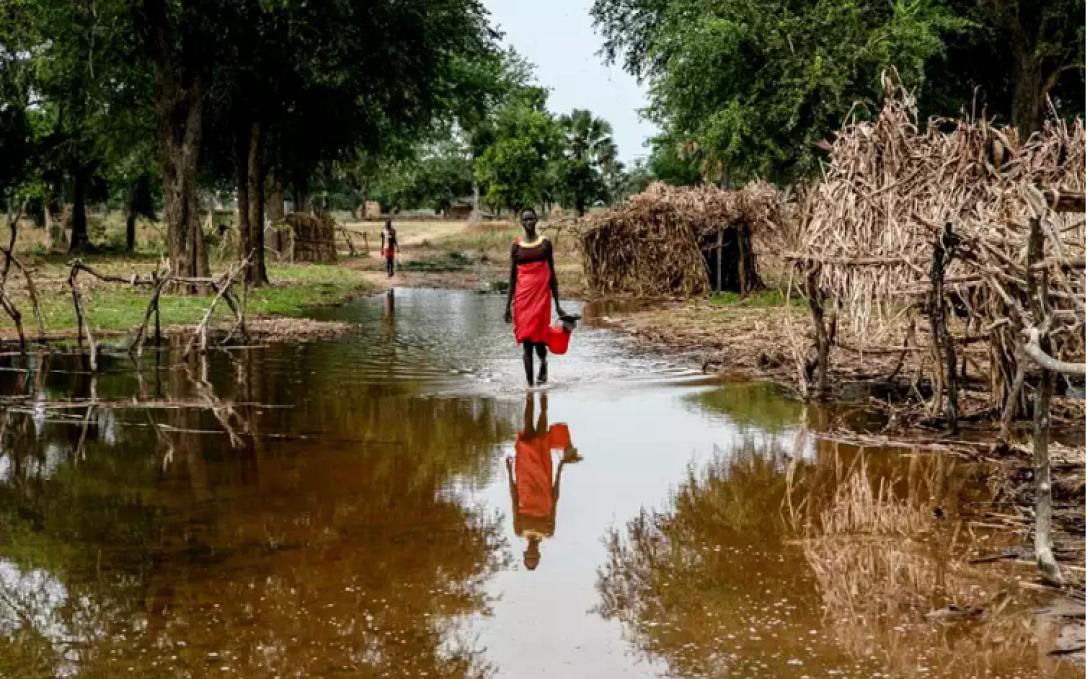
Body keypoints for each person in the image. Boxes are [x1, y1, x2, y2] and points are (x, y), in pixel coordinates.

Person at [505, 393, 581, 571]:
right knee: (541, 430)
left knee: (527, 431)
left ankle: (529, 396)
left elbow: (514, 499)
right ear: (538, 554)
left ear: (525, 553)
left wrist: (509, 472)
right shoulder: (548, 530)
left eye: (528, 555)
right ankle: (543, 397)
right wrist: (560, 467)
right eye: (534, 556)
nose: (531, 552)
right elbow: (555, 498)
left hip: (524, 476)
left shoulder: (519, 530)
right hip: (543, 477)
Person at [504, 208, 570, 386]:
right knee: (526, 341)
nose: (529, 222)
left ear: (536, 220)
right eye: (525, 219)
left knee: (539, 339)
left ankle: (543, 362)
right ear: (521, 223)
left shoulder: (545, 244)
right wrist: (507, 305)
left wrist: (557, 304)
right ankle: (530, 386)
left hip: (541, 297)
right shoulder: (516, 246)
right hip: (523, 298)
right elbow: (511, 277)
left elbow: (552, 275)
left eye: (531, 219)